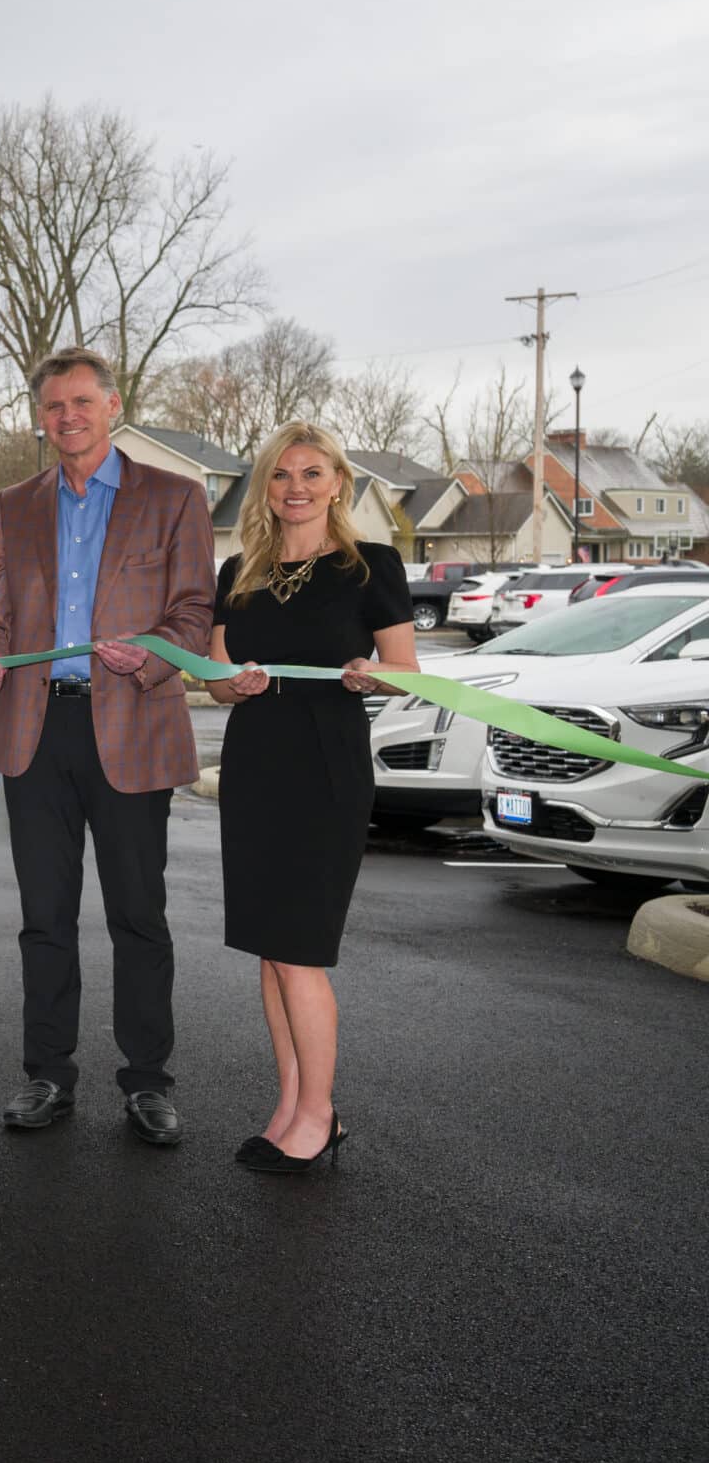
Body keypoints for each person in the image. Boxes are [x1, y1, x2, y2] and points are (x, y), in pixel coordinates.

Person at [0, 348, 213, 1144]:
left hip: (132, 724)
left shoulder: (175, 497)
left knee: (139, 915)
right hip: (36, 729)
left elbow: (193, 611)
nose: (66, 417)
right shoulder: (14, 504)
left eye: (80, 402)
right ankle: (47, 1074)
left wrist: (155, 655)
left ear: (112, 405)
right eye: (52, 406)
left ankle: (147, 1083)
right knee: (45, 916)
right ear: (40, 419)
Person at [206, 422, 415, 1173]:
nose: (296, 486)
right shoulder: (239, 569)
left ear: (338, 483)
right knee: (270, 949)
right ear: (265, 487)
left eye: (312, 472)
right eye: (281, 474)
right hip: (257, 757)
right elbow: (216, 676)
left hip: (325, 762)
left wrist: (372, 673)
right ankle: (292, 1101)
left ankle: (320, 1116)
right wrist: (233, 684)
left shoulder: (372, 566)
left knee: (300, 951)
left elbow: (403, 669)